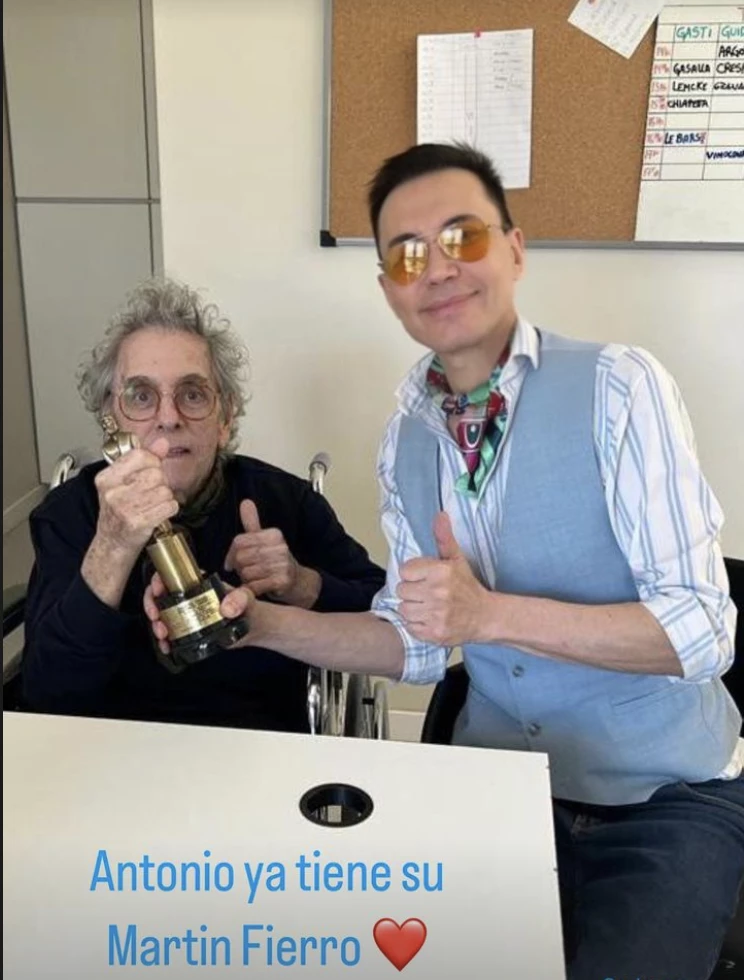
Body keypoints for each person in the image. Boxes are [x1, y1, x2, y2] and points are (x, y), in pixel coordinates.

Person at [147, 144, 743, 979]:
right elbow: (415, 643)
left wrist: (490, 616)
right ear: (388, 289)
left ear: (515, 250)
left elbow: (704, 630)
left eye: (464, 236)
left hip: (666, 797)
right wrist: (257, 625)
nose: (437, 268)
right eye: (406, 254)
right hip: (498, 783)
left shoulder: (620, 388)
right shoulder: (406, 439)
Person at [21, 278, 385, 733]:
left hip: (260, 744)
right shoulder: (69, 512)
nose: (168, 417)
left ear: (225, 416)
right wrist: (112, 546)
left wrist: (302, 583)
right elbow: (46, 692)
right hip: (109, 743)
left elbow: (388, 618)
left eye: (192, 394)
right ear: (110, 418)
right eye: (141, 396)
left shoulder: (284, 501)